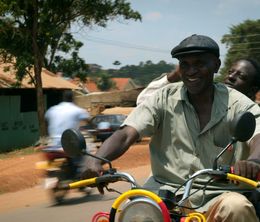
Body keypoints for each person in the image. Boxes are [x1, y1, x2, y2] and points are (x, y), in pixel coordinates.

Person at [82, 34, 260, 221]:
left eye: (199, 64)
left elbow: (258, 135)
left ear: (216, 65)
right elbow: (127, 133)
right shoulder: (163, 98)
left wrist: (254, 162)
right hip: (164, 194)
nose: (191, 71)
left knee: (237, 207)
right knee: (133, 211)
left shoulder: (239, 103)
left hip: (218, 196)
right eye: (185, 64)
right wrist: (96, 160)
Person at [136, 58, 260, 105]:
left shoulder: (253, 115)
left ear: (253, 90)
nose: (231, 77)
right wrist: (174, 75)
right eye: (230, 72)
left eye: (241, 76)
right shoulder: (206, 100)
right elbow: (143, 101)